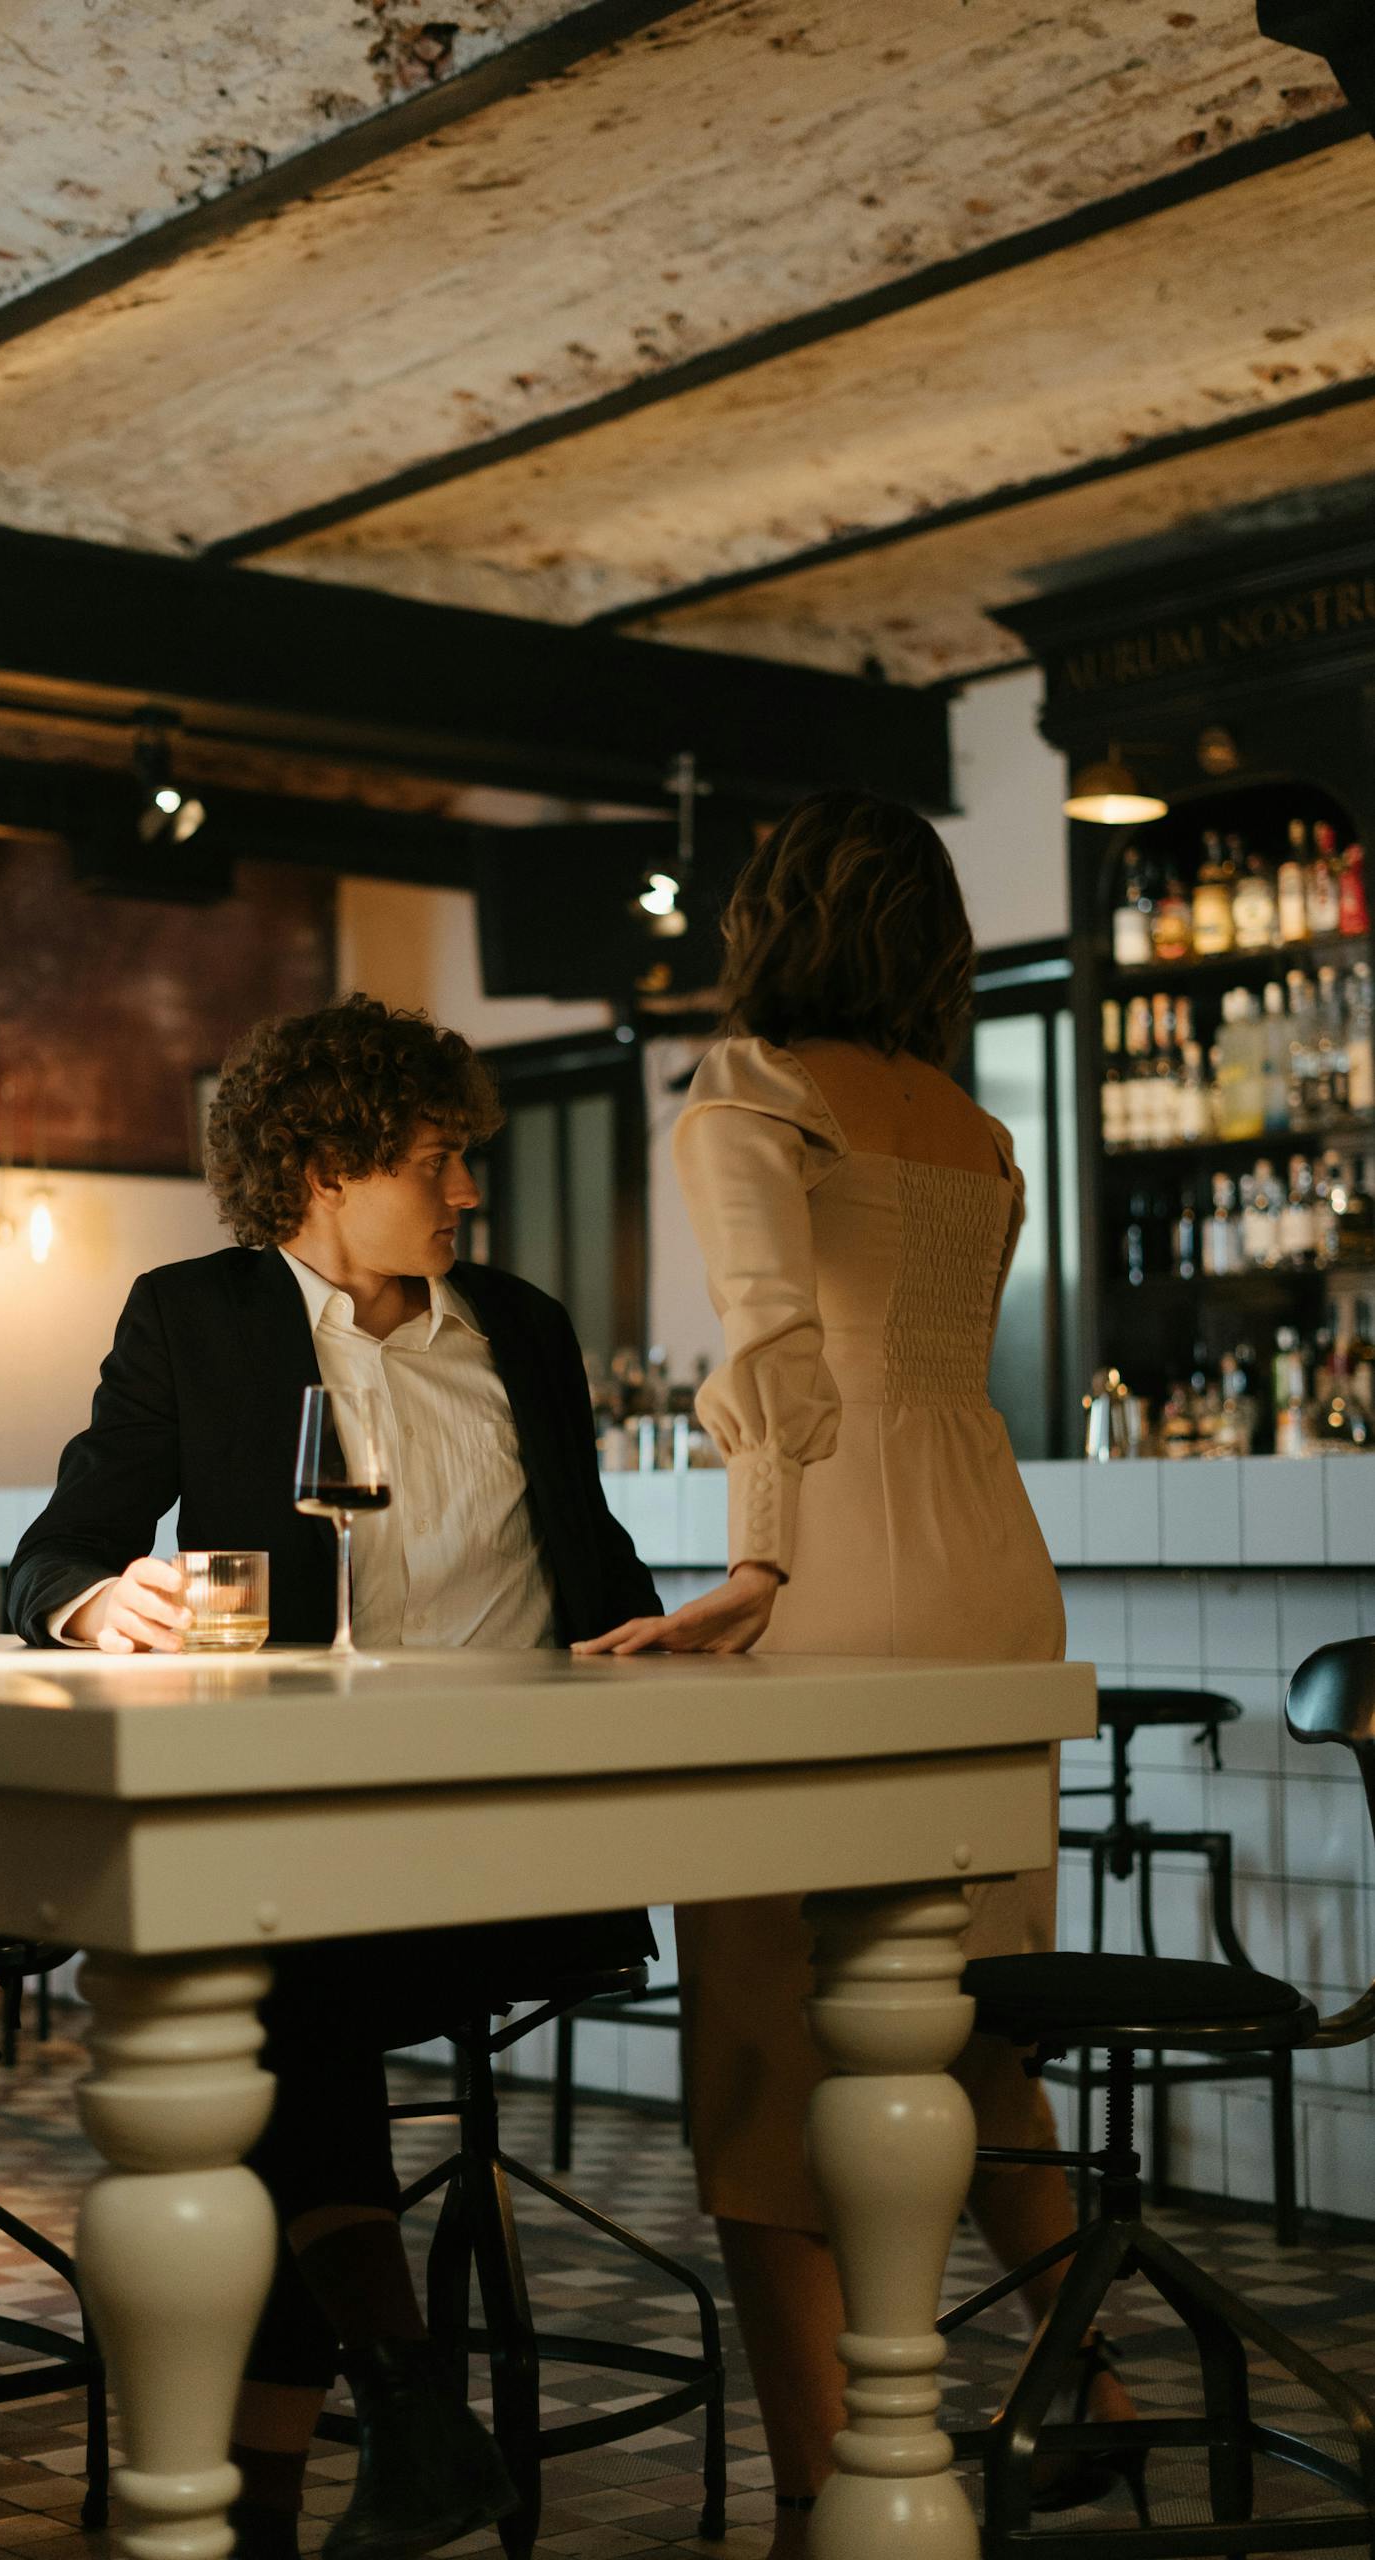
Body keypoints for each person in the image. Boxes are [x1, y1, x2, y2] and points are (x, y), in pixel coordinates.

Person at [9, 993, 659, 2560]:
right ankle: (377, 2444)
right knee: (277, 1995)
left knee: (259, 2006)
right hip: (309, 1819)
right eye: (439, 1159)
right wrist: (104, 1602)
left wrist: (662, 1632)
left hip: (510, 1828)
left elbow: (598, 1565)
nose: (466, 1193)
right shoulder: (194, 1316)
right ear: (320, 1162)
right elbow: (60, 1549)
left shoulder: (520, 1328)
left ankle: (332, 2468)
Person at [576, 793, 1137, 2547]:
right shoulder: (974, 1131)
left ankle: (833, 2471)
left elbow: (771, 1336)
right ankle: (1083, 2377)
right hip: (991, 1556)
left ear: (772, 918)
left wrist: (754, 1561)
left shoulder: (747, 1089)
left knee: (759, 2042)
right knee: (955, 2013)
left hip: (837, 1563)